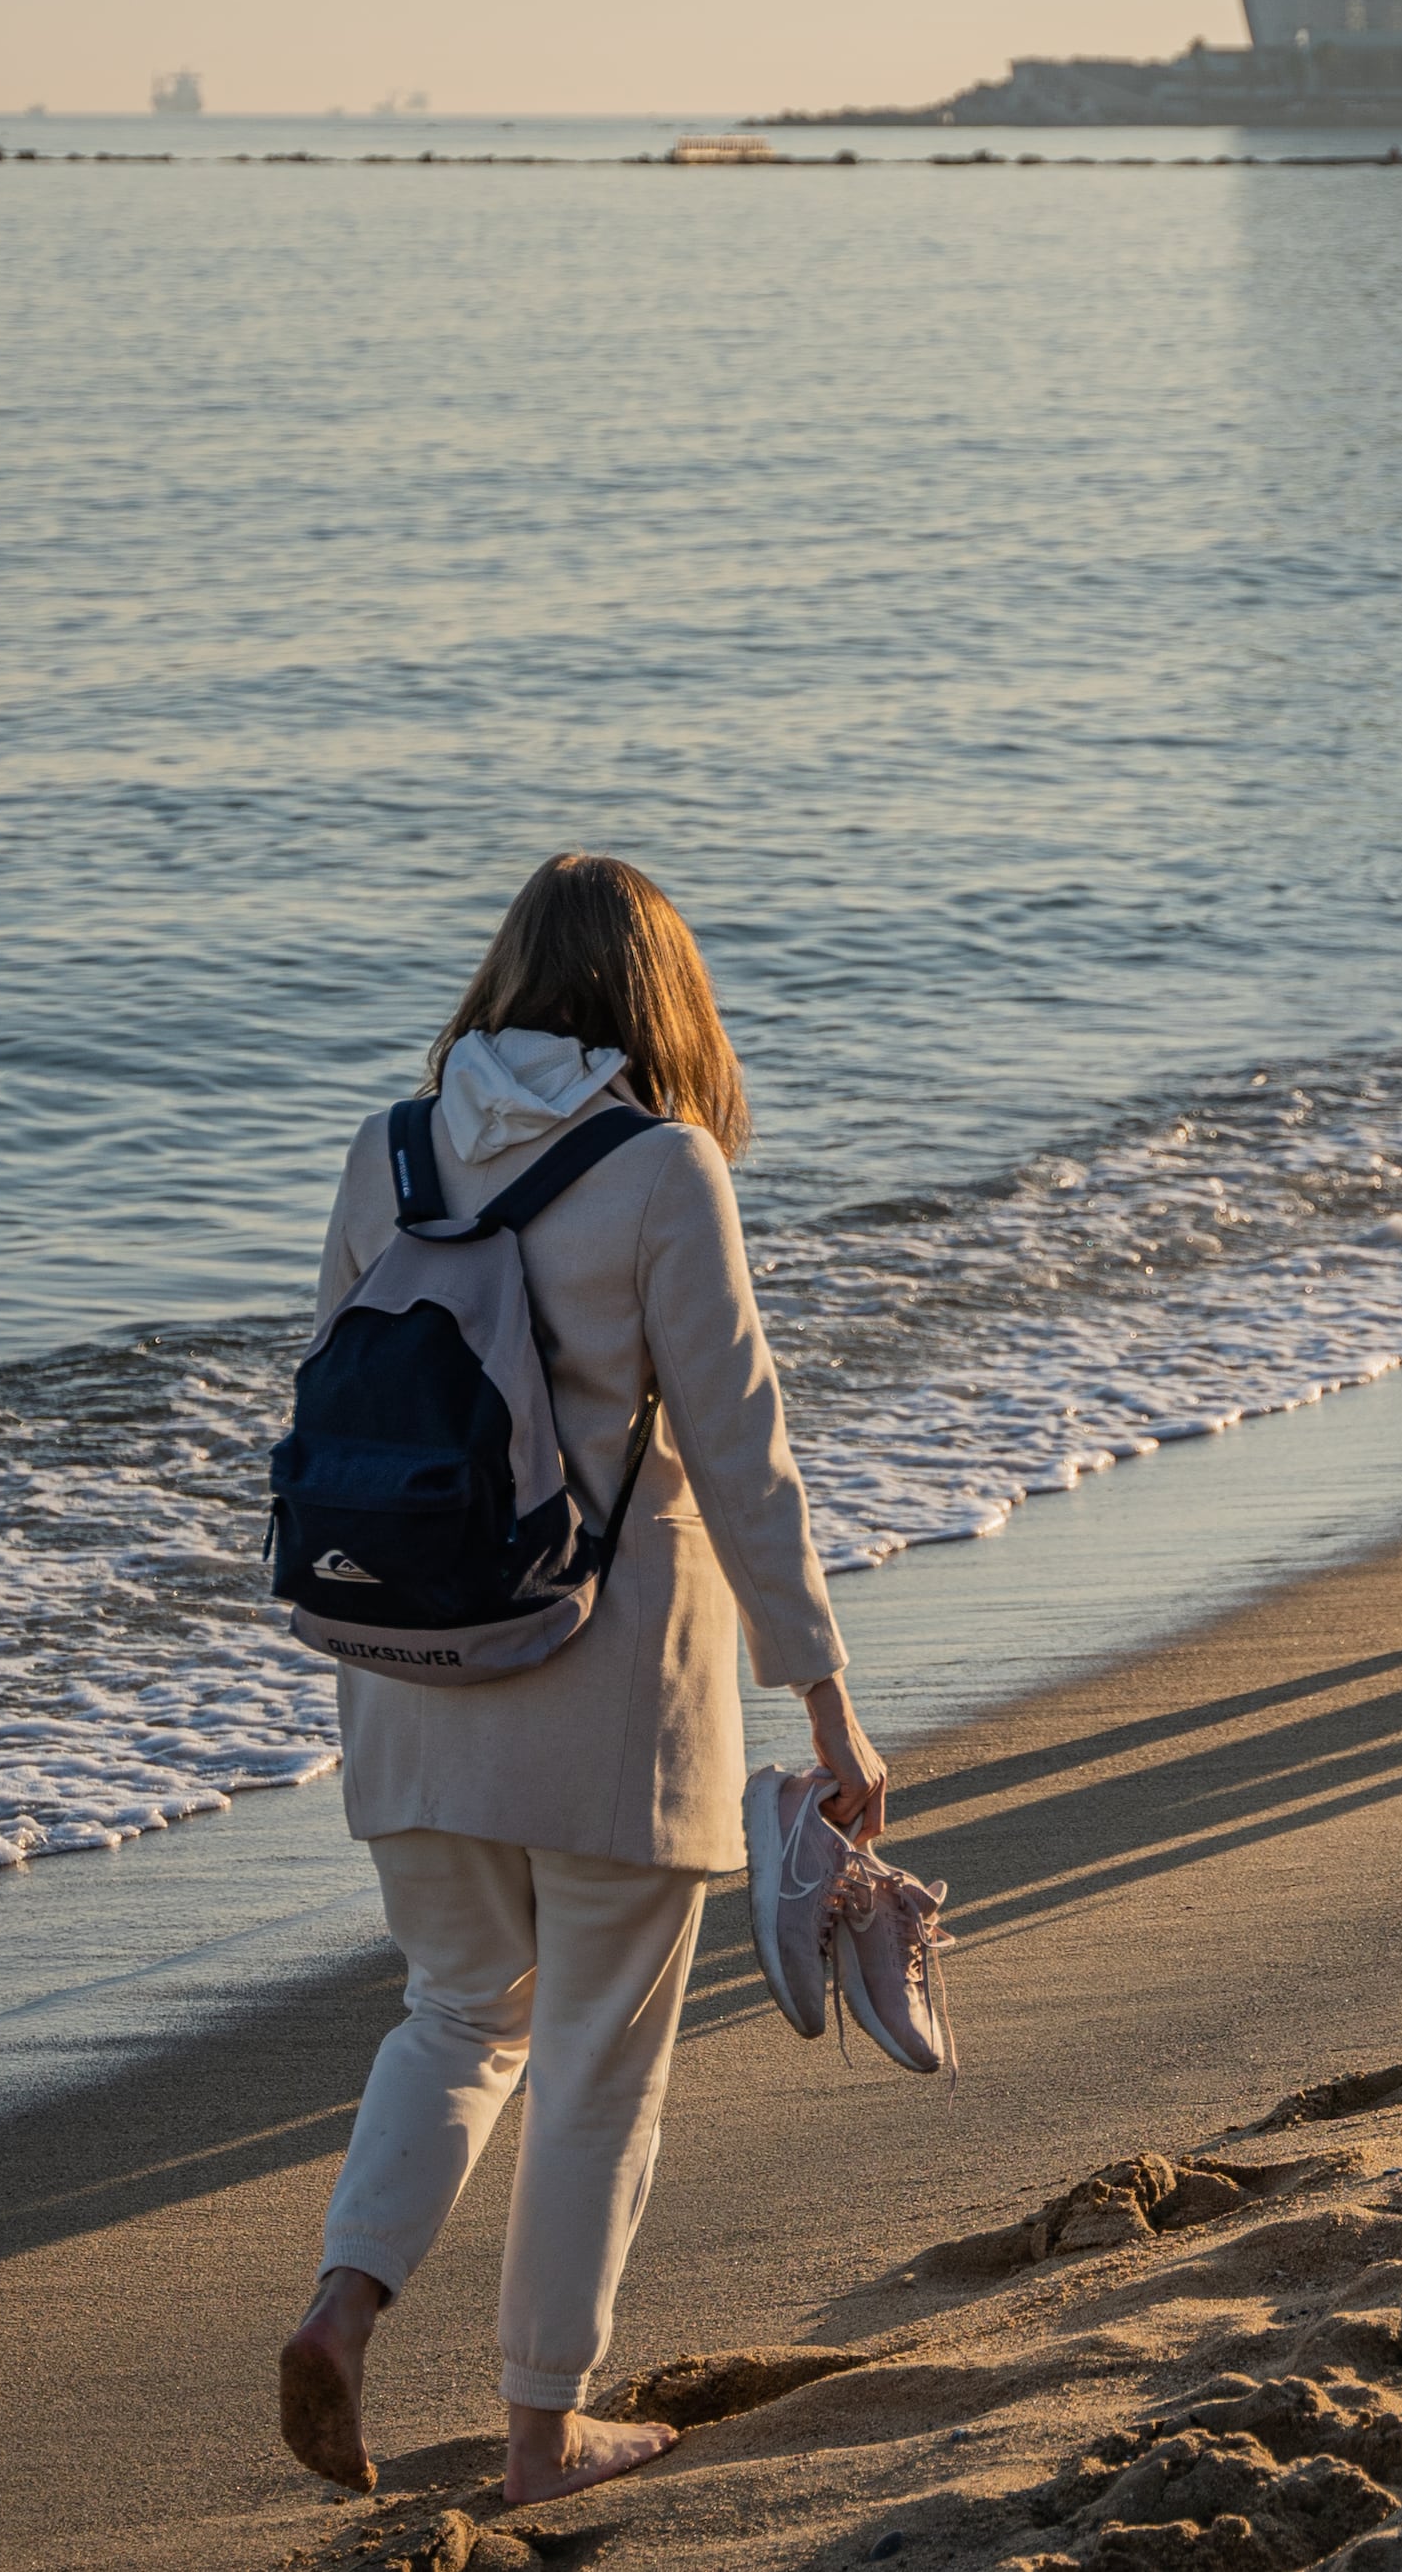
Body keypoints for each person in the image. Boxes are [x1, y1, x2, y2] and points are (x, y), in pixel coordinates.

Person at [274, 854, 888, 2512]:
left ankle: (346, 2302)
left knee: (457, 2009)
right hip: (610, 1686)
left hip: (404, 1673)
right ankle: (547, 2430)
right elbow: (742, 1453)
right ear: (661, 997)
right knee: (599, 2049)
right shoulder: (662, 1165)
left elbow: (335, 1404)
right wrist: (824, 1696)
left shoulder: (387, 1148)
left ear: (506, 978)